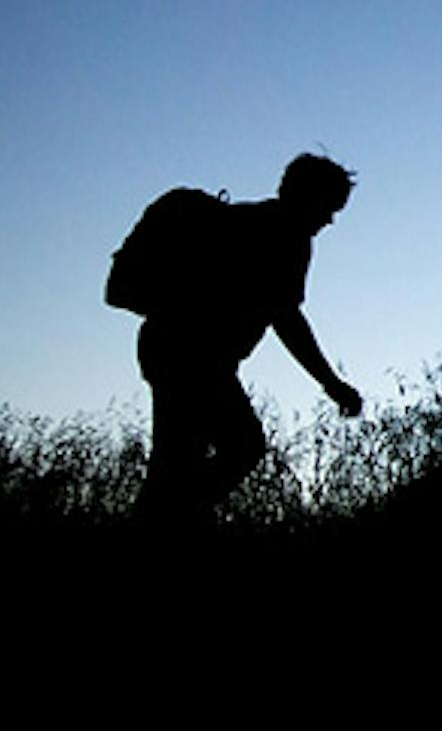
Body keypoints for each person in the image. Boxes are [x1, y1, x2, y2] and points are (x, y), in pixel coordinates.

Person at [133, 153, 362, 520]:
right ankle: (172, 518)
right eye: (329, 206)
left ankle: (168, 517)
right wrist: (331, 383)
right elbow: (286, 317)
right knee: (241, 445)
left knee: (176, 461)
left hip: (168, 346)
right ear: (308, 196)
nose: (330, 219)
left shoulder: (244, 218)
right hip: (194, 357)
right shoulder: (286, 235)